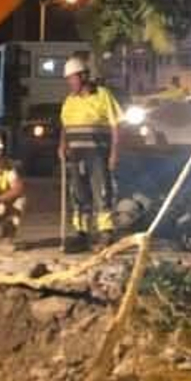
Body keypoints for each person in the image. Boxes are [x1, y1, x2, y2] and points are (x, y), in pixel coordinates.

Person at [58, 56, 122, 249]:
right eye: (68, 79)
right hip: (76, 154)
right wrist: (62, 145)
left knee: (102, 191)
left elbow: (116, 125)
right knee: (78, 193)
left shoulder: (103, 95)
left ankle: (106, 232)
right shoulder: (69, 100)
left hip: (98, 153)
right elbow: (64, 125)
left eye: (72, 78)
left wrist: (114, 153)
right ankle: (82, 233)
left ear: (83, 76)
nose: (70, 83)